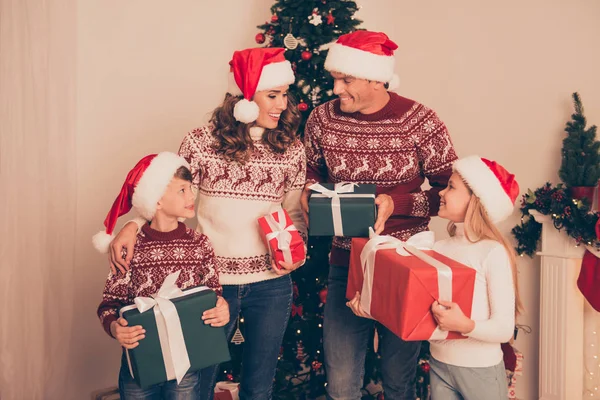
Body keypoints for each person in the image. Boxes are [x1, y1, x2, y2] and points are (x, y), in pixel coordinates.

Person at [108, 48, 307, 400]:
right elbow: (172, 194)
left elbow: (294, 216)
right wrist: (134, 224)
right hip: (212, 285)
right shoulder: (202, 141)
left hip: (271, 285)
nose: (281, 104)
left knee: (259, 386)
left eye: (283, 95)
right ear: (246, 96)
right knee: (198, 382)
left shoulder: (292, 149)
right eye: (272, 95)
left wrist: (296, 252)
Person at [301, 30, 458, 399]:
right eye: (335, 78)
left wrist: (396, 203)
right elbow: (307, 170)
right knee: (341, 385)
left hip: (406, 266)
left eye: (347, 79)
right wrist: (307, 191)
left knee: (398, 382)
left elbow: (452, 197)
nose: (337, 88)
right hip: (346, 265)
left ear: (376, 77)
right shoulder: (320, 119)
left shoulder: (420, 120)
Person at [94, 152, 229, 399]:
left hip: (186, 366)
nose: (192, 196)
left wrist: (221, 307)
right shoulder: (130, 247)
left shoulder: (199, 244)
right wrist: (115, 327)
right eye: (182, 190)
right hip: (139, 366)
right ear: (156, 200)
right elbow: (109, 303)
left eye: (191, 189)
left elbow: (213, 294)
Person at [427, 155, 522, 399]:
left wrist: (465, 326)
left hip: (480, 370)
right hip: (438, 364)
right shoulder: (438, 249)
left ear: (475, 200)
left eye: (451, 187)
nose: (441, 193)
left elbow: (504, 329)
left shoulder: (492, 252)